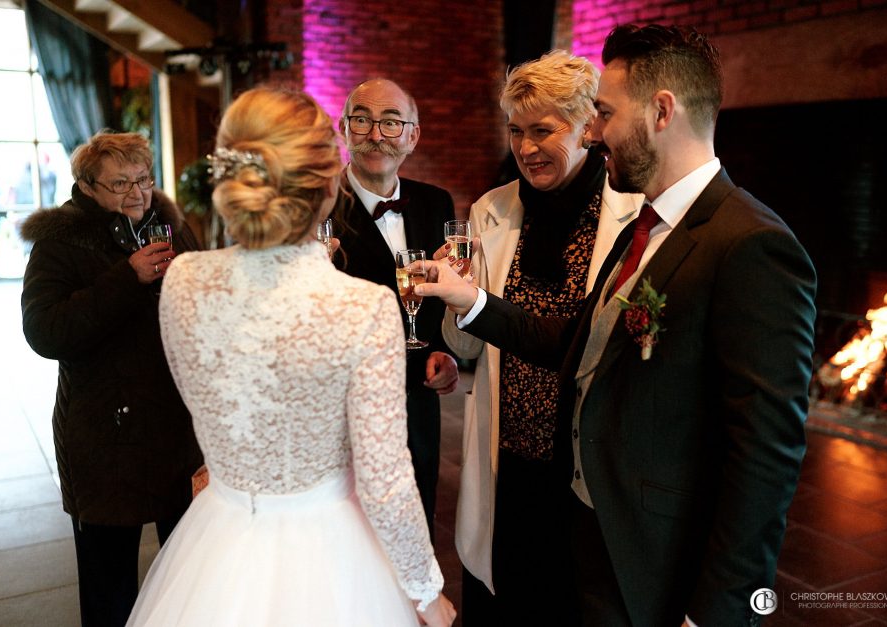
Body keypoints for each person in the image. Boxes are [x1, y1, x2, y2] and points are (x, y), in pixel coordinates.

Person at [419, 24, 817, 626]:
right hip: (594, 535)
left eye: (604, 113)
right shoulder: (645, 230)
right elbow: (575, 345)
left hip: (653, 555)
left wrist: (718, 611)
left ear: (661, 112)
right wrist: (469, 302)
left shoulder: (751, 245)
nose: (596, 131)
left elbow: (765, 457)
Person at [126, 87, 456, 627]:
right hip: (330, 550)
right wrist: (425, 592)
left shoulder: (184, 279)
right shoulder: (364, 306)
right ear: (330, 185)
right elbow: (386, 481)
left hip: (217, 539)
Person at [439, 50, 643, 626]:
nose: (526, 149)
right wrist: (456, 303)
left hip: (584, 461)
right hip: (508, 452)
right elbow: (468, 349)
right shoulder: (490, 210)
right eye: (516, 131)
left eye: (543, 130)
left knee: (577, 600)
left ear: (589, 128)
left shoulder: (632, 214)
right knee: (507, 595)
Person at [20, 130, 203, 627]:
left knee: (189, 571)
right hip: (104, 435)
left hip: (176, 429)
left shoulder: (172, 224)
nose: (137, 193)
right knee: (109, 584)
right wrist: (126, 278)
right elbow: (44, 331)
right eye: (120, 184)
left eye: (143, 179)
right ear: (87, 187)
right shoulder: (60, 242)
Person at [331, 78, 459, 536]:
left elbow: (445, 293)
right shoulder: (317, 208)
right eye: (362, 119)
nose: (376, 134)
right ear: (344, 129)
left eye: (391, 122)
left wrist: (444, 352)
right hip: (342, 414)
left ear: (412, 136)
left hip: (417, 407)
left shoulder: (435, 202)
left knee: (415, 523)